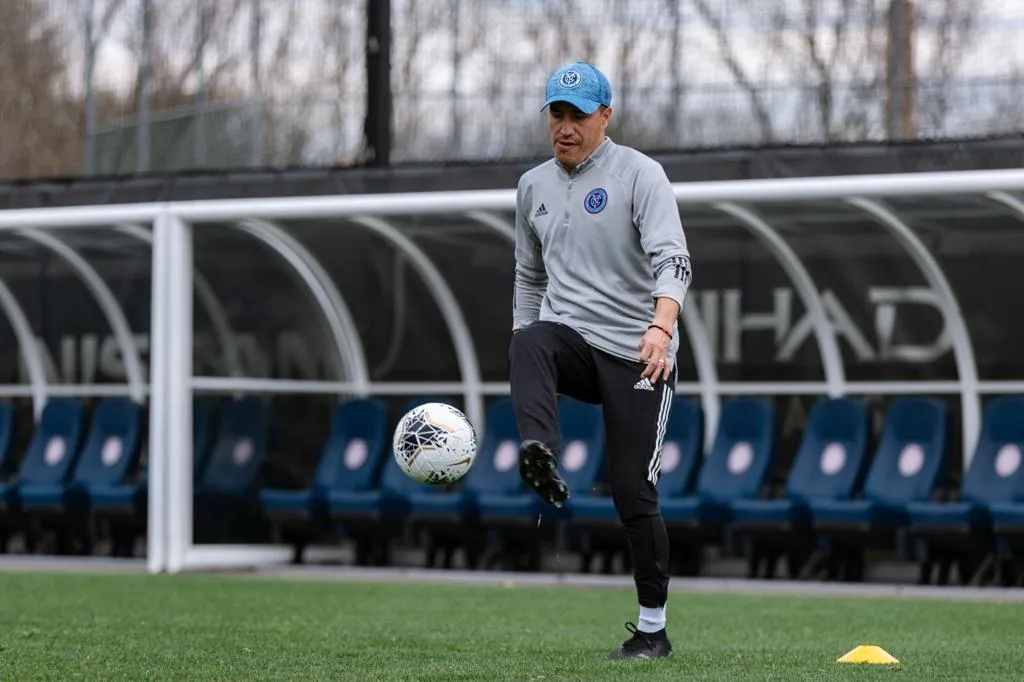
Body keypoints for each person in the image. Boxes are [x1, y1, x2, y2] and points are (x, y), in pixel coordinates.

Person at [509, 60, 692, 661]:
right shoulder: (532, 185)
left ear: (605, 116)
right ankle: (540, 452)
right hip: (574, 341)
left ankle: (652, 630)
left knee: (633, 494)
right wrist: (523, 345)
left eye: (578, 116)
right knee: (529, 338)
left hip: (640, 355)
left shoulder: (640, 174)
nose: (564, 127)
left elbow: (675, 260)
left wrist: (661, 329)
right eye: (556, 114)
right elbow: (528, 277)